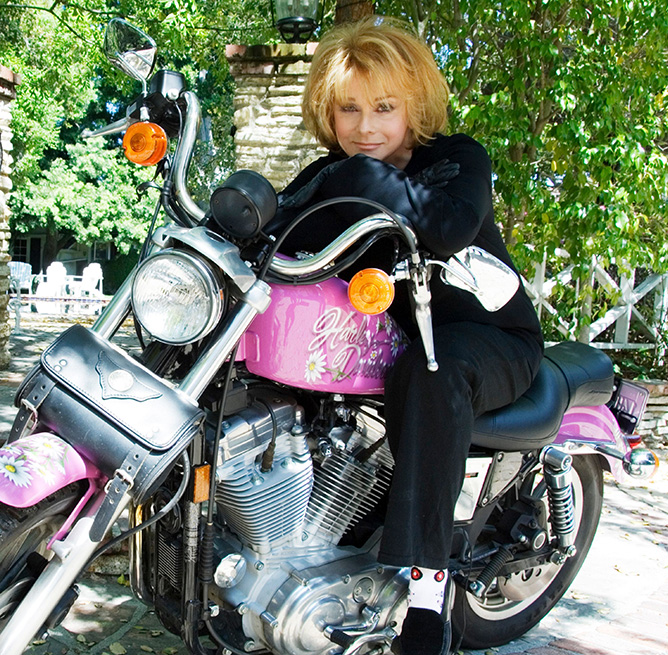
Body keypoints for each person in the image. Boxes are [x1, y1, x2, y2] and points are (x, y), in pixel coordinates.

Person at [273, 16, 544, 655]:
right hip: (395, 337)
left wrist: (356, 179)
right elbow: (271, 235)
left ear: (415, 104)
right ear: (327, 111)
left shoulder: (456, 159)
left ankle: (427, 599)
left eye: (385, 107)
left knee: (428, 371)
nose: (366, 127)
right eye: (350, 109)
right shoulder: (329, 172)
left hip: (484, 337)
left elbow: (446, 227)